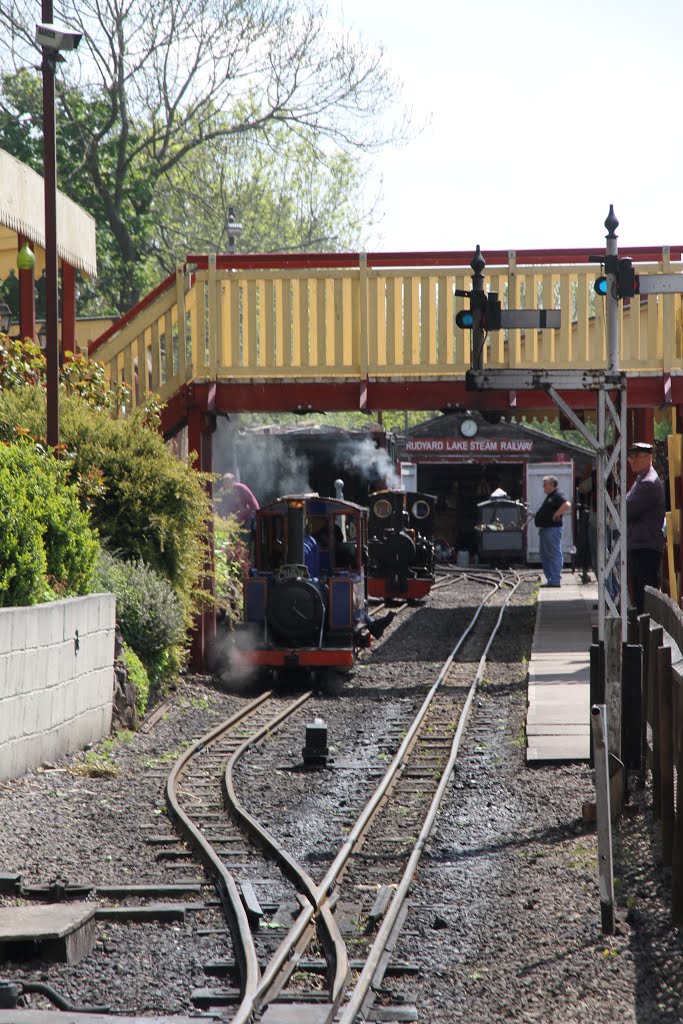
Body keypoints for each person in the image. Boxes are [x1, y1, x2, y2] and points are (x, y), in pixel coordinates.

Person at [626, 442, 665, 613]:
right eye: (630, 457)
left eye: (636, 456)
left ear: (649, 458)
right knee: (641, 598)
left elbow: (626, 510)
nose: (632, 461)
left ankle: (647, 637)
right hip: (641, 544)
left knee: (645, 601)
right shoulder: (641, 479)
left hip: (646, 547)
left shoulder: (648, 483)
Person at [534, 474, 571, 587]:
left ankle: (555, 580)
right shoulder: (550, 496)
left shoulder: (557, 495)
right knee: (545, 555)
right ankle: (551, 579)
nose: (543, 487)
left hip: (552, 529)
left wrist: (556, 514)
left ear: (551, 485)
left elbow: (567, 504)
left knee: (554, 553)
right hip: (546, 530)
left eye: (545, 485)